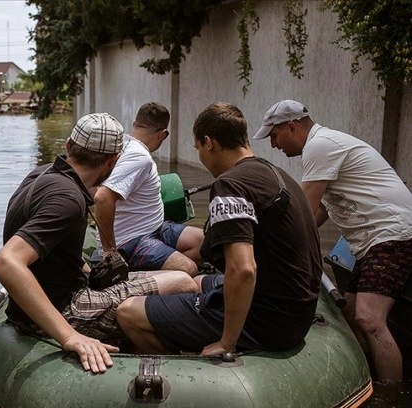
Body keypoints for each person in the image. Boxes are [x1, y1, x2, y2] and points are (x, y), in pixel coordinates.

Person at [0, 113, 198, 374]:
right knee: (184, 282)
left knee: (165, 276)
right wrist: (69, 337)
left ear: (68, 145)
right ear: (113, 161)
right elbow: (6, 263)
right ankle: (167, 367)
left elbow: (53, 251)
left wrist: (92, 272)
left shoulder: (40, 174)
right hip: (66, 308)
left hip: (59, 293)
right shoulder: (67, 199)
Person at [116, 102, 323, 356]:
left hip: (266, 322)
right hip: (294, 313)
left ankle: (182, 365)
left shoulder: (230, 186)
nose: (201, 157)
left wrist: (227, 342)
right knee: (197, 280)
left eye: (198, 149)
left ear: (209, 142)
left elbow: (244, 269)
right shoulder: (276, 174)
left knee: (127, 312)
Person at [253, 99, 412, 382]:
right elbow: (319, 212)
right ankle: (364, 380)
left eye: (274, 136)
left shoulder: (320, 146)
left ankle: (390, 393)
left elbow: (299, 209)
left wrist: (269, 243)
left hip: (391, 235)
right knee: (350, 316)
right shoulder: (324, 147)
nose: (274, 145)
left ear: (291, 127)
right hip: (373, 241)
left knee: (370, 320)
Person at [93, 102, 203, 276]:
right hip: (131, 241)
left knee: (203, 242)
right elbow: (102, 197)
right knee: (188, 269)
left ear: (135, 125)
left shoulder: (123, 145)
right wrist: (110, 251)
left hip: (155, 228)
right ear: (162, 135)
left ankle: (155, 270)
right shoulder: (139, 157)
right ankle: (132, 277)